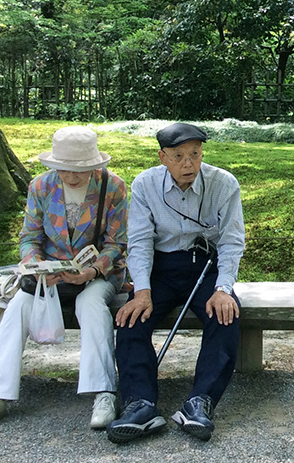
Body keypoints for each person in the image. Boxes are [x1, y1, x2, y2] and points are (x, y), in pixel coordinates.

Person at [0, 126, 128, 432]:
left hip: (99, 274)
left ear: (94, 165)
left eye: (80, 169)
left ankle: (103, 392)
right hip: (50, 277)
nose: (72, 176)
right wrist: (37, 267)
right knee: (16, 308)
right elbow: (29, 238)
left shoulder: (113, 187)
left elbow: (117, 244)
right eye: (65, 168)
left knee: (92, 305)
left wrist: (90, 272)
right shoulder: (41, 186)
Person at [108, 122, 245, 443]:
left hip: (205, 266)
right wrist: (141, 291)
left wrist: (223, 289)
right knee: (131, 320)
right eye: (179, 156)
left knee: (226, 315)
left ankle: (200, 402)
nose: (188, 164)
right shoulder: (145, 185)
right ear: (162, 157)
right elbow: (140, 241)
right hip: (161, 266)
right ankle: (139, 404)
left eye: (195, 155)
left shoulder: (223, 184)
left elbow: (231, 240)